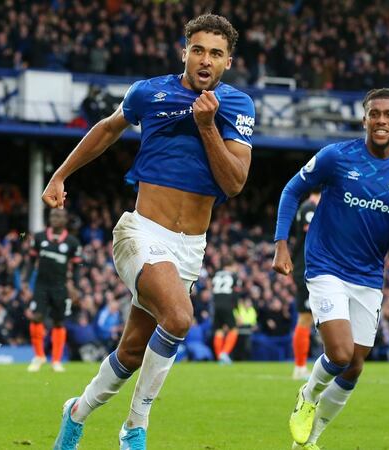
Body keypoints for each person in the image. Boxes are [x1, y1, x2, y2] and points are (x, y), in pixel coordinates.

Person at [47, 14, 254, 450]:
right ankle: (135, 427)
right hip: (141, 232)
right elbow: (106, 130)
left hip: (190, 247)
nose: (205, 59)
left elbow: (234, 182)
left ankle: (76, 412)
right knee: (179, 318)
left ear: (228, 62)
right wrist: (59, 176)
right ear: (185, 52)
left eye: (215, 53)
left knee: (131, 352)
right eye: (197, 49)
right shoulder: (149, 92)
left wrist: (207, 127)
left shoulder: (237, 107)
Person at [273, 88, 389, 450]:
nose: (381, 120)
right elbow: (292, 190)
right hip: (325, 266)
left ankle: (310, 440)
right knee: (340, 353)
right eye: (374, 113)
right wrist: (281, 242)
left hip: (368, 276)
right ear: (364, 118)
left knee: (355, 366)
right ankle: (307, 396)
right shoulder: (336, 157)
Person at [24, 208, 82, 373]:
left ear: (65, 220)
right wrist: (25, 281)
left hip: (60, 286)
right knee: (36, 317)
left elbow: (77, 267)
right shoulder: (39, 237)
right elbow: (30, 261)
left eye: (58, 216)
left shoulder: (72, 242)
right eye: (52, 216)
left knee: (58, 321)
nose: (54, 218)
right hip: (41, 285)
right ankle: (39, 356)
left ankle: (56, 360)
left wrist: (75, 287)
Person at [291, 189, 320, 380]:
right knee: (305, 318)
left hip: (312, 267)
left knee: (312, 319)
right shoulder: (309, 207)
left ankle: (306, 365)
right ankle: (300, 367)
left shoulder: (312, 207)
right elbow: (312, 230)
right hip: (306, 268)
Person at [211, 257, 241, 363]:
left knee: (219, 331)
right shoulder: (234, 276)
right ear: (232, 266)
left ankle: (220, 357)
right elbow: (236, 294)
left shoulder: (216, 274)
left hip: (216, 304)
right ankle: (224, 353)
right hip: (227, 304)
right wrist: (237, 311)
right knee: (234, 329)